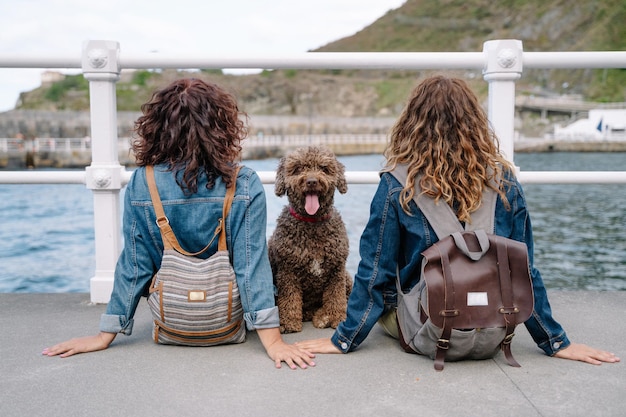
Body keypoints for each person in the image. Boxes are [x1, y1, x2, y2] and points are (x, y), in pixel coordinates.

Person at [297, 75, 620, 366]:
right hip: (493, 329)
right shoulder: (503, 180)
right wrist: (555, 341)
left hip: (425, 331)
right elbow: (525, 270)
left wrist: (344, 339)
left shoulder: (397, 184)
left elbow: (375, 271)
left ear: (412, 125)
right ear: (476, 124)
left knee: (388, 282)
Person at [43, 78, 315, 370]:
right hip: (226, 316)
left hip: (171, 319)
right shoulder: (244, 183)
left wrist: (105, 333)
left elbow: (135, 265)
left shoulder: (142, 182)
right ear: (222, 128)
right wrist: (274, 343)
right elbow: (252, 266)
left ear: (157, 127)